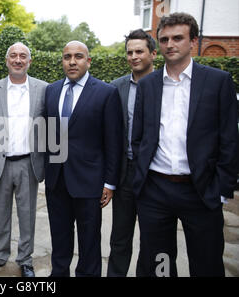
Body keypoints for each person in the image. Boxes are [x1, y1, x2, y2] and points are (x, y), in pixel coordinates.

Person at [132, 12, 238, 277]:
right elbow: (138, 137)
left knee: (206, 263)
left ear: (193, 41)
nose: (170, 44)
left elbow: (229, 140)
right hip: (155, 190)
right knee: (159, 264)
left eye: (178, 38)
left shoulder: (217, 82)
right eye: (165, 39)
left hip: (200, 191)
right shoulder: (147, 86)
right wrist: (141, 182)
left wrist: (221, 190)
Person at [44, 41, 123, 277]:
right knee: (59, 237)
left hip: (89, 182)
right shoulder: (52, 90)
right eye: (67, 56)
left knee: (89, 240)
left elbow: (113, 141)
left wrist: (110, 183)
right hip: (56, 180)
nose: (72, 61)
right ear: (62, 61)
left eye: (78, 56)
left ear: (88, 61)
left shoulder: (106, 92)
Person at [0, 42, 48, 277]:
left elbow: (51, 127)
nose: (18, 60)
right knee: (0, 213)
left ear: (29, 61)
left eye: (23, 56)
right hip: (1, 161)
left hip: (29, 162)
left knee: (27, 213)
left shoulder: (43, 88)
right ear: (6, 60)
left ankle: (25, 259)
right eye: (13, 56)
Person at [107, 29, 157, 277]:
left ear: (153, 54)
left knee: (153, 241)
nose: (134, 56)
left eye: (139, 51)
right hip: (125, 174)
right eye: (130, 52)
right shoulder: (115, 88)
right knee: (120, 237)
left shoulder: (165, 86)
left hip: (156, 176)